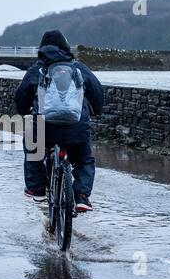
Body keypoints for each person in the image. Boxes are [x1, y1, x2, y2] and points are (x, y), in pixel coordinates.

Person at [14, 30, 104, 212]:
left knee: (34, 151)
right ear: (65, 47)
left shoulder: (37, 70)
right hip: (76, 127)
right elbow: (97, 92)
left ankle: (38, 191)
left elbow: (21, 97)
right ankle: (82, 196)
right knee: (84, 160)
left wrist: (25, 111)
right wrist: (94, 112)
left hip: (44, 128)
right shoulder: (79, 68)